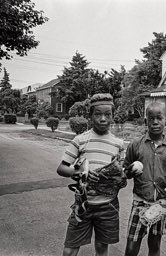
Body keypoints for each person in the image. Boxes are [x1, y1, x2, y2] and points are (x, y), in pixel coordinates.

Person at [57, 93, 125, 256]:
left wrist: (119, 176)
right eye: (98, 114)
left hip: (108, 205)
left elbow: (121, 175)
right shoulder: (80, 140)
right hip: (83, 205)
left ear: (112, 117)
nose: (103, 119)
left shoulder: (119, 144)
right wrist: (81, 172)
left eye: (107, 114)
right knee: (70, 249)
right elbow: (61, 168)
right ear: (90, 116)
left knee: (102, 247)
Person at [124, 102, 166, 256]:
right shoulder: (135, 145)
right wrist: (129, 172)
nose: (155, 122)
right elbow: (125, 172)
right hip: (140, 201)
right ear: (145, 121)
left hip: (160, 203)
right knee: (131, 245)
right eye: (151, 118)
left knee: (154, 244)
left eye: (159, 118)